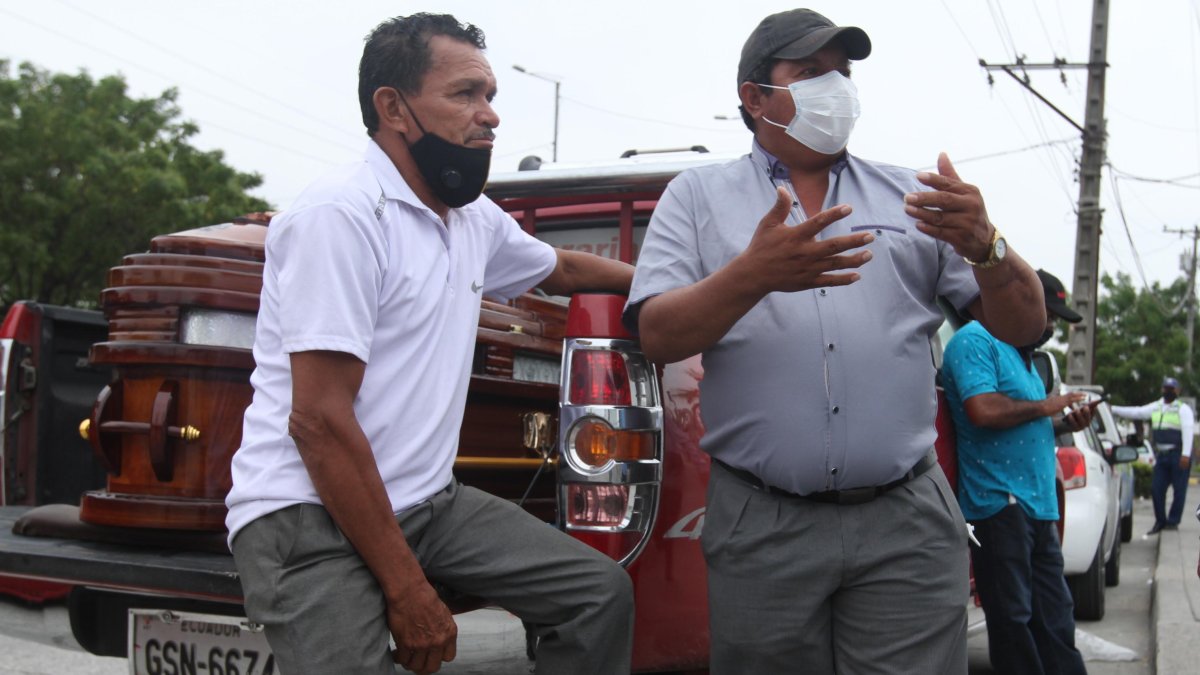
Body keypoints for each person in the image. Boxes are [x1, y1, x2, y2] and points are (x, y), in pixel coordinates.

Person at [624, 8, 1046, 674]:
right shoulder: (697, 198)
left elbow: (1025, 328)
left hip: (904, 520)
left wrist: (988, 245)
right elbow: (656, 334)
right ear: (755, 97)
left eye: (842, 72)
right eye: (810, 72)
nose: (836, 88)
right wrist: (753, 276)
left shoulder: (913, 197)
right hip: (763, 522)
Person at [224, 14, 636, 675]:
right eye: (466, 94)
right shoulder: (342, 216)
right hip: (306, 516)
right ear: (394, 108)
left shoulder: (468, 218)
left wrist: (675, 285)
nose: (490, 115)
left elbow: (564, 270)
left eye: (491, 95)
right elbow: (319, 420)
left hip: (425, 501)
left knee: (596, 595)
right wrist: (408, 586)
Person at [940, 268, 1093, 675]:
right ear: (1019, 303)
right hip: (999, 504)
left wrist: (1064, 423)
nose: (1050, 328)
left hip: (1038, 506)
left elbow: (1022, 422)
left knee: (1056, 619)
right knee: (1014, 623)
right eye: (1049, 317)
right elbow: (983, 410)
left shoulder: (1024, 356)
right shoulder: (975, 340)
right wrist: (1048, 406)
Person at [1112, 376, 1196, 535]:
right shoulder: (1156, 407)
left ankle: (1172, 521)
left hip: (1178, 454)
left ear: (1177, 391)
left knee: (1179, 490)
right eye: (1165, 388)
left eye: (1171, 389)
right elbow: (1137, 412)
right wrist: (1113, 409)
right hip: (1162, 455)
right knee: (1156, 489)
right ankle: (1160, 521)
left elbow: (1188, 431)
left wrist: (1185, 454)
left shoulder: (1182, 409)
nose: (1168, 392)